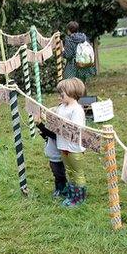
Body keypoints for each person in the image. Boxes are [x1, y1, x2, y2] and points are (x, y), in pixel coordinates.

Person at [55, 78, 87, 207]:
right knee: (69, 170)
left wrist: (59, 125)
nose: (59, 96)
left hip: (74, 148)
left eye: (61, 93)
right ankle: (72, 193)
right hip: (63, 145)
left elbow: (75, 129)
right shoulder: (62, 107)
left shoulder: (77, 110)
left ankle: (78, 198)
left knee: (77, 172)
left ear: (70, 92)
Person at [35, 119, 67, 198]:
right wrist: (43, 134)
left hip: (58, 157)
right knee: (57, 174)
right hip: (53, 156)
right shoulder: (53, 130)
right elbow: (48, 137)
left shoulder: (60, 132)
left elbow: (52, 135)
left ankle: (62, 189)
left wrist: (40, 125)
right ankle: (60, 188)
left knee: (59, 174)